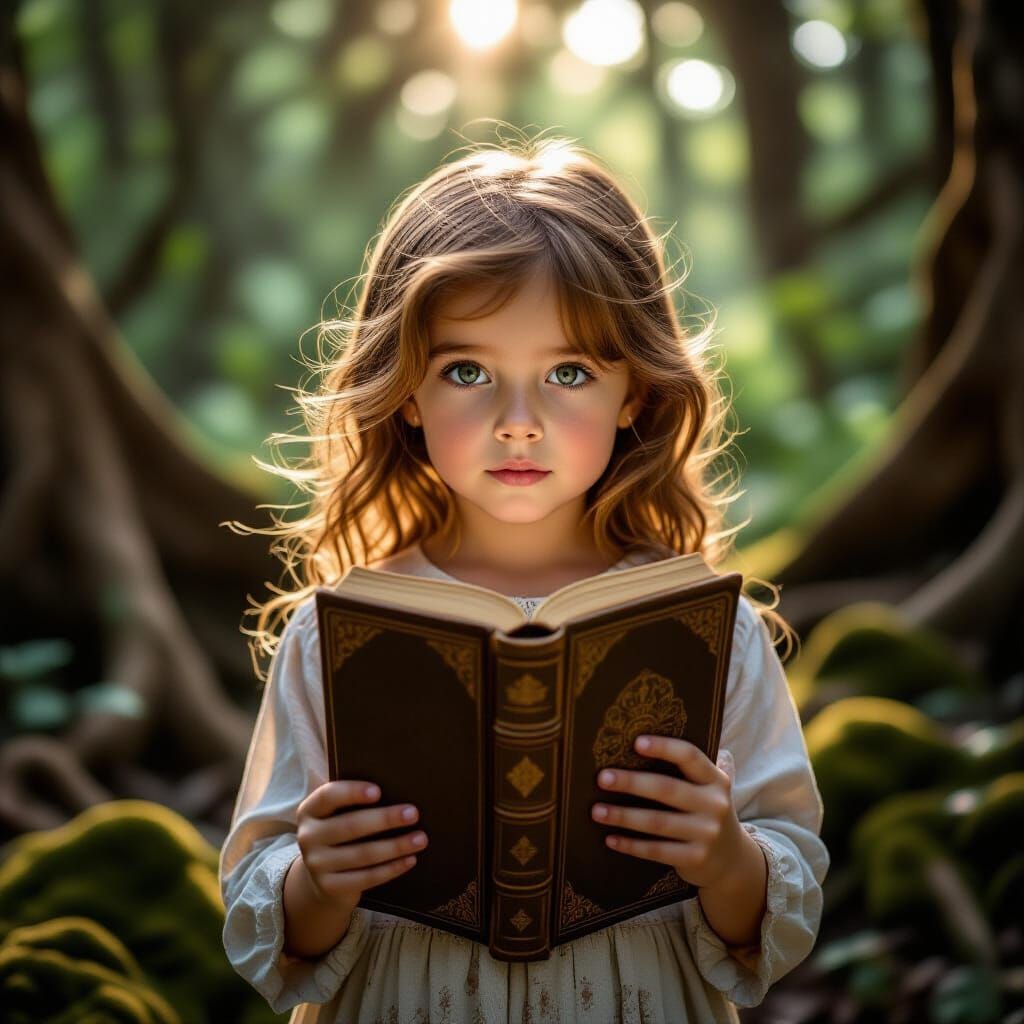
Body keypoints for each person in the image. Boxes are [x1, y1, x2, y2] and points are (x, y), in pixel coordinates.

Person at [218, 134, 829, 1023]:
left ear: (637, 395)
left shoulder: (708, 630)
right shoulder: (340, 633)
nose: (518, 423)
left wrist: (724, 853)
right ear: (405, 393)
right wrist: (319, 879)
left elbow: (782, 894)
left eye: (568, 373)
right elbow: (264, 908)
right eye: (467, 371)